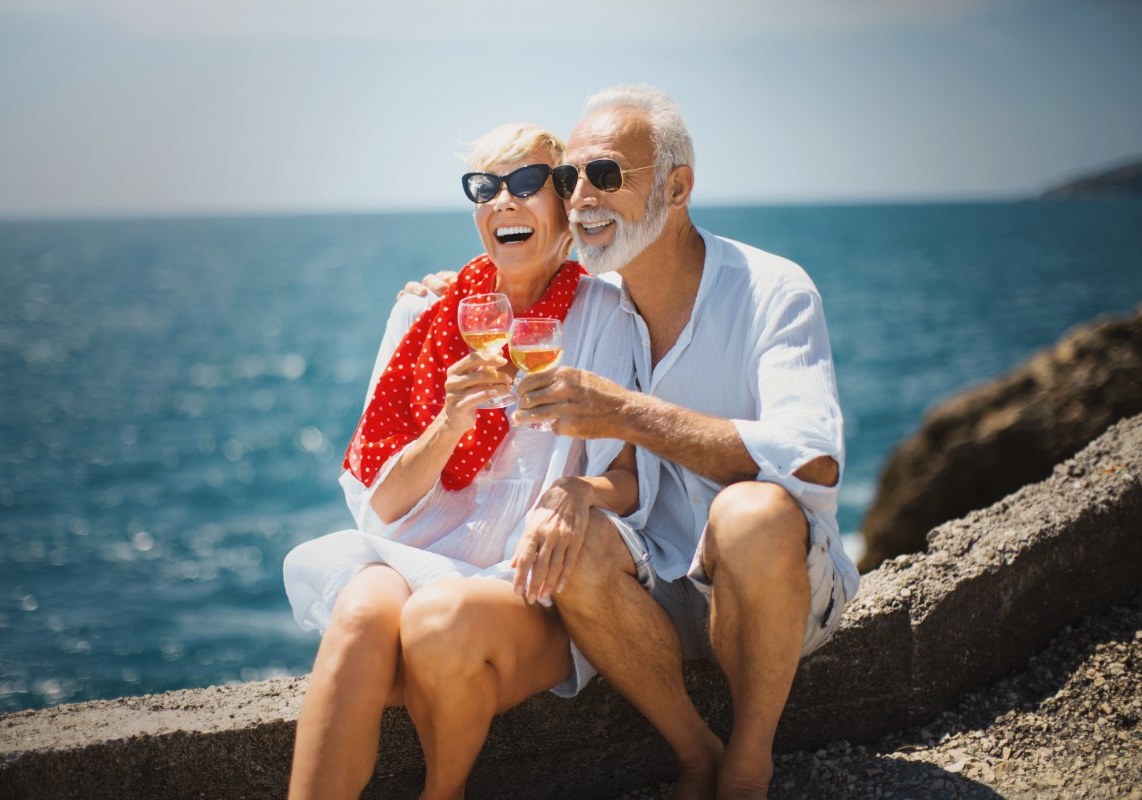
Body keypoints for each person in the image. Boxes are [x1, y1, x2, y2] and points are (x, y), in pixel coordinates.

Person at [452, 86, 858, 799]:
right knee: (567, 536)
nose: (580, 198)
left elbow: (813, 462)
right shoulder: (598, 301)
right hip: (655, 587)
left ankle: (747, 764)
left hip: (771, 587)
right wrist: (439, 289)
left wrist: (628, 412)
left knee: (751, 514)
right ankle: (695, 752)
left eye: (605, 175)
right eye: (569, 178)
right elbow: (515, 278)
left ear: (677, 187)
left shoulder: (773, 291)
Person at [282, 122, 643, 800]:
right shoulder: (425, 312)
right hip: (416, 555)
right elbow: (382, 505)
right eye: (485, 187)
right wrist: (450, 423)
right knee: (361, 612)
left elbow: (631, 478)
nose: (504, 201)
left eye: (529, 183)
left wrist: (576, 491)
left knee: (435, 619)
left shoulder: (610, 316)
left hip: (525, 584)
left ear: (565, 200)